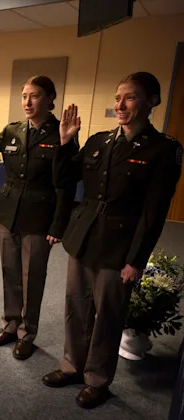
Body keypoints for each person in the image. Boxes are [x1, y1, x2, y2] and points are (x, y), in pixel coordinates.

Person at [43, 72, 183, 409]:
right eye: (118, 97)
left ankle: (97, 380)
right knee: (76, 306)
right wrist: (65, 144)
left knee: (107, 315)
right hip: (84, 238)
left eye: (130, 97)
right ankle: (72, 366)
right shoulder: (99, 140)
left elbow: (154, 212)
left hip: (119, 247)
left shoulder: (163, 150)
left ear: (152, 102)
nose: (120, 104)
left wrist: (136, 260)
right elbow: (64, 179)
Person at [0, 76, 77, 360]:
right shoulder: (13, 129)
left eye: (34, 96)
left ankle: (27, 333)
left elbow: (66, 184)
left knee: (32, 277)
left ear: (50, 99)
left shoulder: (62, 133)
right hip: (9, 214)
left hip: (39, 217)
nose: (27, 102)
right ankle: (10, 325)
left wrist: (59, 225)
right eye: (24, 96)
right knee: (10, 273)